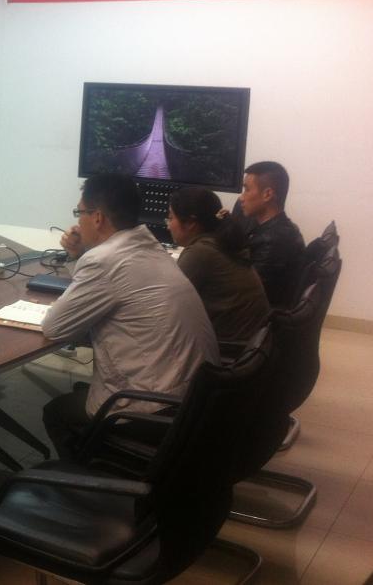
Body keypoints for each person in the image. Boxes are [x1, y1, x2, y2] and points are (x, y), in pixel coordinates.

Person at [40, 173, 218, 455]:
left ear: (97, 218)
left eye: (79, 212)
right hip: (198, 398)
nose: (78, 221)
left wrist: (82, 256)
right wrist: (79, 256)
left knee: (57, 413)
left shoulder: (104, 259)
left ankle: (88, 478)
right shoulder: (148, 246)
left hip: (156, 407)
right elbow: (105, 292)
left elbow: (55, 327)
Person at [167, 186, 271, 343]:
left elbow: (167, 306)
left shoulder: (201, 253)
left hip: (229, 348)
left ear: (190, 223)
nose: (168, 225)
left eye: (170, 218)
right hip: (253, 344)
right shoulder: (221, 242)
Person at [237, 161, 305, 307]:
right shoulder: (277, 229)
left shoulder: (274, 241)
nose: (241, 198)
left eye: (247, 189)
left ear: (267, 194)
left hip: (259, 316)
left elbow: (246, 293)